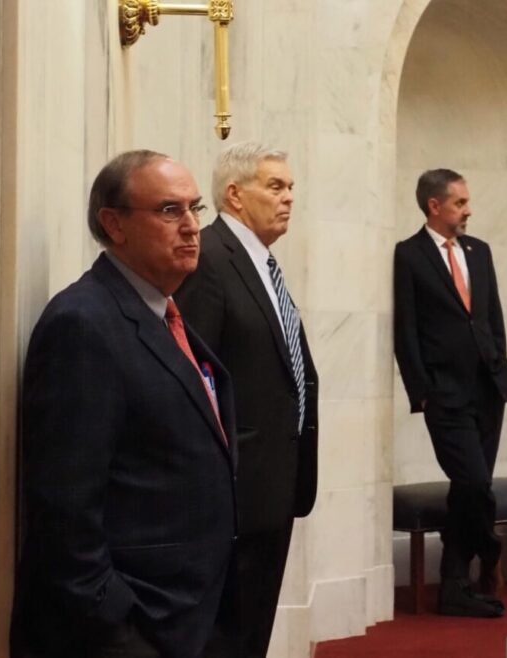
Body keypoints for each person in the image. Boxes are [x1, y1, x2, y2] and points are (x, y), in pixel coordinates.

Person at [11, 150, 237, 657]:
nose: (192, 227)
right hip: (128, 631)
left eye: (195, 209)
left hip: (186, 616)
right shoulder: (84, 324)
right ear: (113, 224)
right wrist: (118, 632)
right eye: (169, 211)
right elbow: (65, 513)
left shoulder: (161, 314)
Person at [174, 142, 318, 658]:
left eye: (290, 188)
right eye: (275, 186)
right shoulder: (210, 259)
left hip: (273, 484)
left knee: (252, 632)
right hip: (235, 489)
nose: (288, 199)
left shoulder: (262, 263)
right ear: (235, 195)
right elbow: (193, 381)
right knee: (226, 637)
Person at [393, 169, 507, 618]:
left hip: (489, 388)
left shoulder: (479, 251)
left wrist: (503, 371)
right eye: (460, 203)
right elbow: (406, 330)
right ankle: (492, 548)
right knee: (474, 482)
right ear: (434, 206)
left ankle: (455, 587)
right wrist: (421, 392)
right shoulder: (409, 255)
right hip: (444, 394)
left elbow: (492, 317)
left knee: (466, 492)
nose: (468, 210)